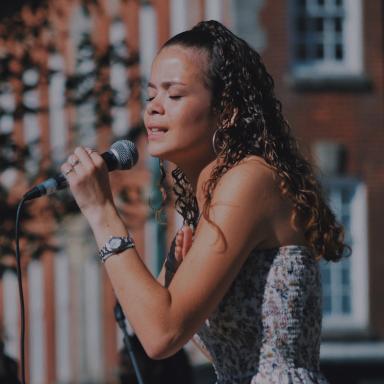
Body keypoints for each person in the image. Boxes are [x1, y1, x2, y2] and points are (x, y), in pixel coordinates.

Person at [61, 20, 347, 384]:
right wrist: (176, 280)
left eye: (174, 95)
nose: (154, 109)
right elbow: (151, 320)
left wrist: (101, 211)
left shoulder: (249, 179)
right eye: (151, 96)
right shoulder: (208, 200)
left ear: (226, 111)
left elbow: (160, 335)